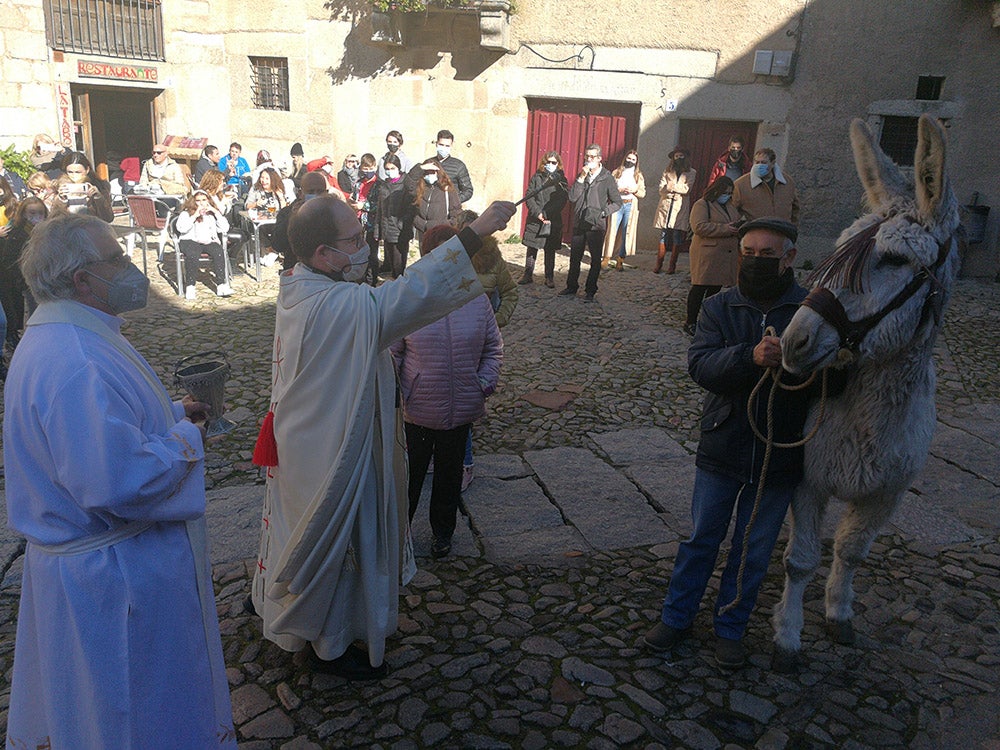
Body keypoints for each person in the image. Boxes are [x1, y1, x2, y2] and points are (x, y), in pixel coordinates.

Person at [250, 194, 516, 680]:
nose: (365, 246)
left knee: (323, 540)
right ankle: (329, 646)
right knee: (340, 541)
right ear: (322, 255)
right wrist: (473, 233)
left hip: (310, 442)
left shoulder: (299, 286)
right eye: (353, 240)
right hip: (333, 455)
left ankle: (322, 629)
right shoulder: (336, 304)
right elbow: (407, 296)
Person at [4, 213, 236, 747]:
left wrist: (168, 411)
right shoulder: (76, 358)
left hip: (92, 570)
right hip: (114, 580)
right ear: (81, 278)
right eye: (117, 258)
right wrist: (186, 436)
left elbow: (97, 433)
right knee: (131, 714)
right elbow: (115, 480)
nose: (131, 266)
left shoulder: (63, 335)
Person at [642, 217, 812, 670]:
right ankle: (676, 618)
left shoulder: (809, 311)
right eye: (750, 254)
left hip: (781, 449)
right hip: (723, 444)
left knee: (753, 550)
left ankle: (730, 628)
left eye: (767, 256)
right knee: (701, 538)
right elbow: (700, 366)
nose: (756, 262)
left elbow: (835, 379)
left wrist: (798, 363)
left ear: (789, 258)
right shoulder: (719, 307)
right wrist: (749, 357)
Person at [391, 223, 503, 558]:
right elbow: (393, 352)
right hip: (418, 410)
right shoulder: (410, 301)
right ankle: (397, 536)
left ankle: (443, 533)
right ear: (426, 257)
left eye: (451, 252)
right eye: (437, 253)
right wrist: (400, 392)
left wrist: (482, 383)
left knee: (449, 478)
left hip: (461, 407)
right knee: (408, 480)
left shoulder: (476, 299)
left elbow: (493, 348)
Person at [559, 143, 622, 302]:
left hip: (596, 225)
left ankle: (590, 290)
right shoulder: (582, 176)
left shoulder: (606, 178)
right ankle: (571, 286)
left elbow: (617, 202)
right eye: (586, 156)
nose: (589, 159)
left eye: (592, 157)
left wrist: (603, 212)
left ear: (599, 159)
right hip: (580, 222)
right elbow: (572, 197)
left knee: (595, 259)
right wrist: (580, 178)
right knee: (575, 257)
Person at [684, 176, 740, 336]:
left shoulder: (730, 206)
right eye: (725, 192)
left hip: (724, 255)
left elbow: (734, 220)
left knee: (715, 288)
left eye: (730, 193)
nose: (727, 196)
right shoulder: (702, 205)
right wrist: (725, 229)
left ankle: (707, 319)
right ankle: (691, 321)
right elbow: (699, 226)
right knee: (699, 287)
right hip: (707, 253)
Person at [0, 197, 47, 351]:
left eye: (40, 212)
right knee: (35, 311)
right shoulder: (17, 233)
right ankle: (34, 342)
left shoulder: (48, 230)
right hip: (27, 279)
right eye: (32, 213)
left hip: (46, 277)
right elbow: (11, 259)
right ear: (24, 214)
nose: (36, 216)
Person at [519, 151, 568, 287]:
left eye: (554, 162)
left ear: (558, 164)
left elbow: (562, 200)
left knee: (549, 249)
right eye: (548, 162)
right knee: (532, 247)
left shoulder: (561, 180)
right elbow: (529, 195)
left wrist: (546, 214)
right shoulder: (537, 177)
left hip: (552, 219)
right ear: (544, 163)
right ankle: (528, 274)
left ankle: (549, 277)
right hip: (536, 218)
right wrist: (538, 213)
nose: (550, 164)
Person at [175, 189, 232, 299]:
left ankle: (221, 284)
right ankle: (190, 286)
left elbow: (225, 228)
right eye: (198, 200)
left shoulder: (211, 214)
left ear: (208, 201)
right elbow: (181, 228)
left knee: (218, 251)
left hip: (208, 240)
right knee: (193, 253)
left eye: (204, 200)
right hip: (189, 240)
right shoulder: (186, 213)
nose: (201, 203)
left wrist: (216, 212)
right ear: (193, 201)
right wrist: (195, 216)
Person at [276, 171, 331, 272]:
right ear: (301, 193)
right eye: (311, 192)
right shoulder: (287, 212)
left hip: (327, 272)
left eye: (319, 191)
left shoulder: (334, 212)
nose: (315, 195)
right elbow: (278, 244)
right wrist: (292, 218)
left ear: (326, 193)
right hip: (296, 271)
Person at [653, 147, 696, 275]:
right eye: (676, 156)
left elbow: (687, 189)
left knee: (677, 236)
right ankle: (658, 264)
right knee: (663, 235)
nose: (678, 158)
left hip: (679, 207)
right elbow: (661, 189)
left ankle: (672, 266)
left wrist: (670, 187)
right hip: (666, 205)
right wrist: (673, 189)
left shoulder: (692, 172)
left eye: (681, 156)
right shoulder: (667, 171)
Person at [601, 149, 646, 272]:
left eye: (633, 159)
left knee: (626, 232)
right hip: (617, 204)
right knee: (612, 231)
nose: (630, 161)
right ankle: (606, 257)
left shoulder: (638, 175)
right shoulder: (616, 172)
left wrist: (634, 190)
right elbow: (607, 188)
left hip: (630, 205)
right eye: (629, 158)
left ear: (636, 162)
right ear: (625, 158)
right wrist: (618, 190)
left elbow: (643, 193)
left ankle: (620, 259)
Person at [732, 147, 800, 225]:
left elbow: (795, 208)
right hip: (756, 233)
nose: (759, 165)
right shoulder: (741, 185)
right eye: (757, 162)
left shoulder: (787, 182)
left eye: (763, 162)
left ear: (773, 163)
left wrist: (793, 228)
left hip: (783, 233)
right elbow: (732, 211)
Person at [405, 158, 462, 247]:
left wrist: (447, 225)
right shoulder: (421, 188)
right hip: (422, 232)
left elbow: (456, 212)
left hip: (439, 235)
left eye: (432, 172)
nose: (429, 174)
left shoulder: (447, 189)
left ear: (438, 172)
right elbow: (408, 184)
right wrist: (420, 167)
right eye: (427, 172)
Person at [377, 154, 412, 278]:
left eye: (392, 168)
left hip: (399, 231)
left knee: (399, 264)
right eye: (387, 169)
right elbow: (380, 209)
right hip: (387, 230)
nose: (389, 171)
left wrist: (401, 224)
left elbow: (410, 208)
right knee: (391, 262)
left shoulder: (405, 185)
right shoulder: (383, 186)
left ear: (398, 168)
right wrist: (378, 230)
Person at [52, 152, 114, 222]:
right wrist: (61, 200)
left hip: (93, 229)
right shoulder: (59, 186)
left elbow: (108, 218)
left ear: (87, 170)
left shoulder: (99, 185)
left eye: (78, 172)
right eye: (70, 172)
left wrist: (98, 198)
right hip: (68, 229)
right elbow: (53, 217)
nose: (74, 175)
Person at [429, 129, 473, 203]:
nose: (444, 148)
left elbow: (468, 191)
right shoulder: (429, 163)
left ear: (451, 145)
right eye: (441, 145)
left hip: (450, 211)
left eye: (447, 146)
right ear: (436, 144)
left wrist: (453, 201)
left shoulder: (459, 166)